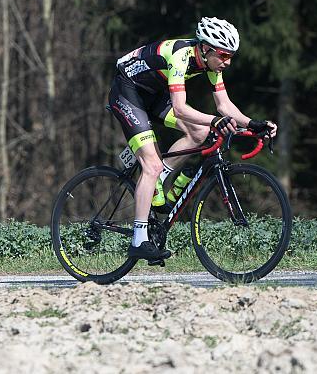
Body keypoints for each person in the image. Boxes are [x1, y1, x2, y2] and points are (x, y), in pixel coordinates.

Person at [108, 17, 277, 261]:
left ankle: (161, 181)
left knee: (199, 133)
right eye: (223, 55)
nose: (227, 62)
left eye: (230, 56)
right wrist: (214, 121)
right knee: (151, 165)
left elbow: (224, 105)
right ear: (206, 49)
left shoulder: (211, 64)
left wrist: (252, 123)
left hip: (153, 93)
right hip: (127, 91)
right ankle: (139, 239)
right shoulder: (181, 56)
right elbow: (180, 108)